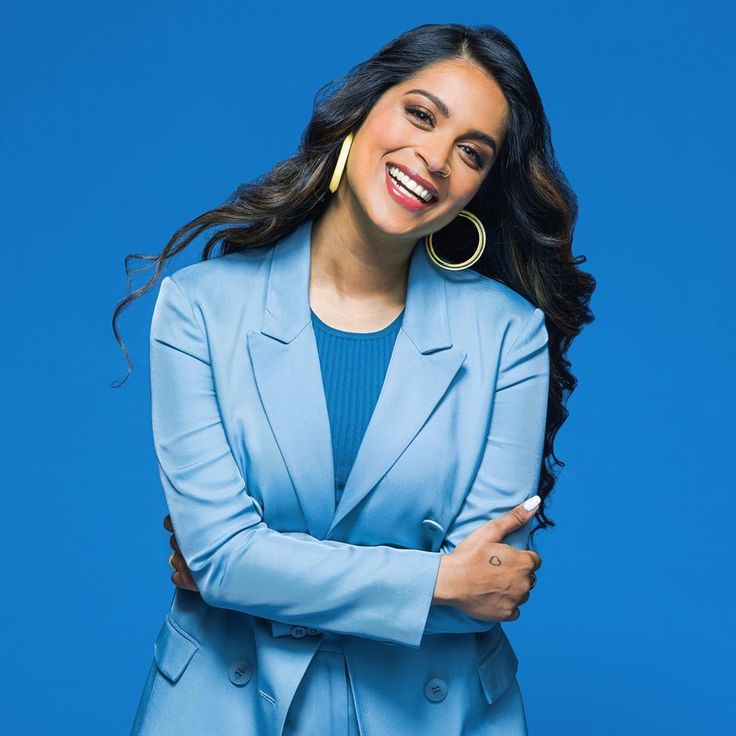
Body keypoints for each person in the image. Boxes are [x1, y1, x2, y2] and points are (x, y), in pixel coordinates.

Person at [114, 22, 595, 736]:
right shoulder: (199, 308)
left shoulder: (507, 335)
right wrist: (436, 578)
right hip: (223, 708)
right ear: (362, 109)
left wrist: (255, 575)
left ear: (479, 188)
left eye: (471, 152)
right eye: (421, 114)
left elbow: (487, 590)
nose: (433, 158)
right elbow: (219, 559)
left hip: (433, 713)